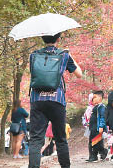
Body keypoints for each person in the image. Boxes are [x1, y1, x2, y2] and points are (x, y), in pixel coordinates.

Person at [28, 33, 82, 168]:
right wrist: (70, 56)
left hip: (37, 99)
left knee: (35, 139)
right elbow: (79, 74)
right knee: (60, 138)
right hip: (56, 100)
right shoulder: (63, 55)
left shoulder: (33, 55)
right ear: (58, 39)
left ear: (42, 38)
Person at [88, 90, 108, 162]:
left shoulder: (101, 107)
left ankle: (95, 155)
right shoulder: (95, 107)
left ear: (100, 98)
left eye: (94, 97)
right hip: (93, 127)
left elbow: (103, 117)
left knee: (95, 142)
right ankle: (99, 153)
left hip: (97, 128)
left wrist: (101, 126)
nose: (92, 99)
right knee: (94, 142)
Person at [82, 93, 95, 161]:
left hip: (95, 126)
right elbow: (85, 117)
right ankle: (91, 156)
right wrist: (86, 123)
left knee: (96, 141)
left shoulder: (97, 107)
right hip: (90, 126)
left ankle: (102, 152)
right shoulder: (89, 108)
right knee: (91, 141)